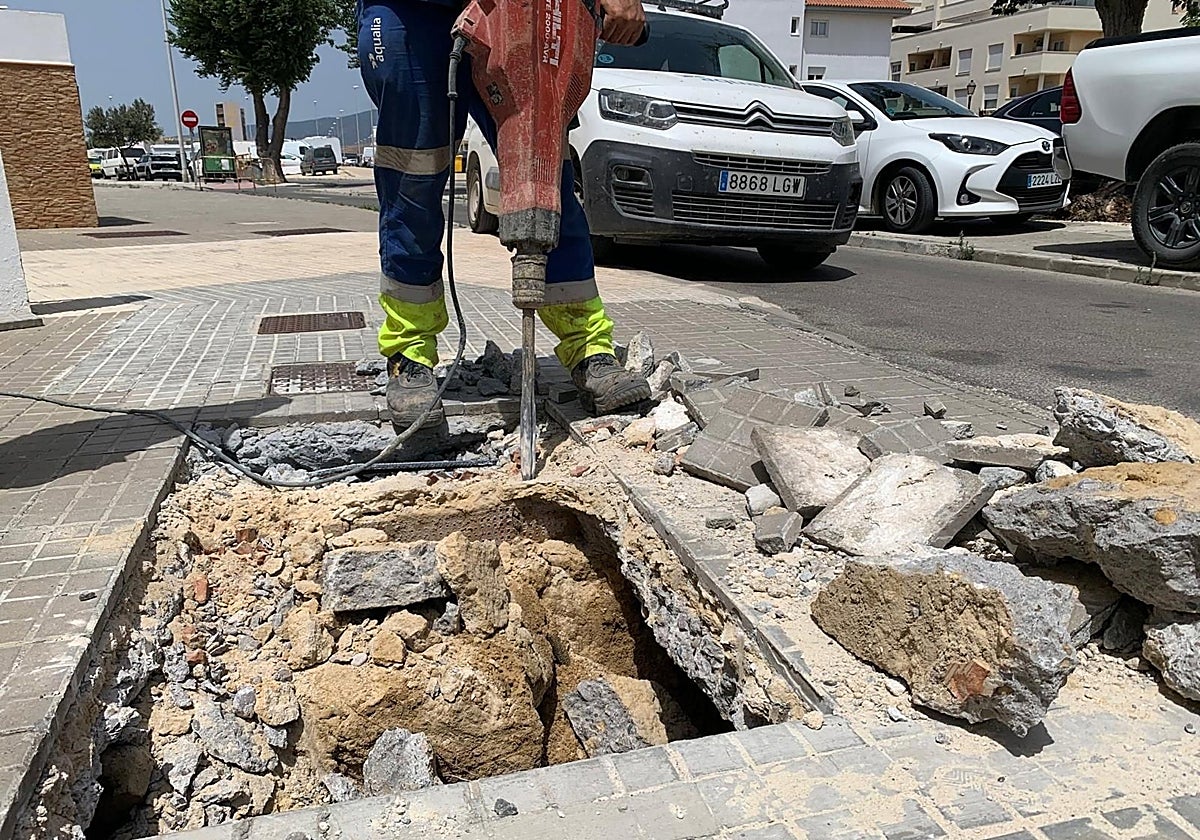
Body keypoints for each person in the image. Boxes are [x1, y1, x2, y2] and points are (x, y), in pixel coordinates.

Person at [358, 0, 651, 429]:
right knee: (412, 177)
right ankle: (410, 352)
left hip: (522, 6)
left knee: (542, 165)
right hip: (412, 11)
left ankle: (588, 346)